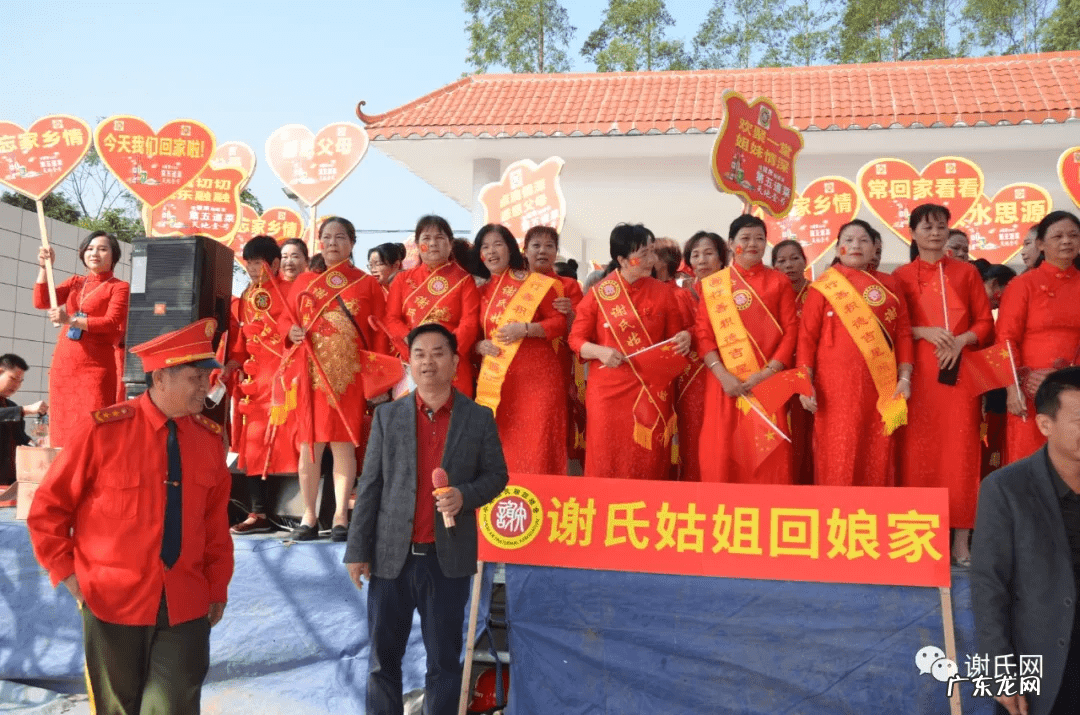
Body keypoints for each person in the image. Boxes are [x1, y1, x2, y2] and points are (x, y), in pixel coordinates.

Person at [26, 318, 233, 715]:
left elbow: (215, 528)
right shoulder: (103, 430)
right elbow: (49, 509)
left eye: (205, 378)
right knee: (117, 708)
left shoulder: (209, 440)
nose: (204, 387)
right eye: (194, 378)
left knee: (173, 705)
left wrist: (217, 586)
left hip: (186, 600)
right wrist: (68, 575)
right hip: (112, 599)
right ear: (160, 378)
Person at [344, 323, 509, 715]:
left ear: (455, 362)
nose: (427, 362)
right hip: (391, 560)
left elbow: (497, 476)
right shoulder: (387, 417)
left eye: (438, 353)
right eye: (419, 354)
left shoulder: (478, 417)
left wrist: (464, 496)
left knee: (444, 664)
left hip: (445, 562)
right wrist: (357, 550)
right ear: (409, 363)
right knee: (383, 662)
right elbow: (370, 485)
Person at [971, 367, 1080, 715]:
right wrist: (1000, 673)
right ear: (1045, 425)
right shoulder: (1006, 489)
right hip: (1044, 670)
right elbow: (989, 585)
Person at [892, 203, 994, 565]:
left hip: (959, 374)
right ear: (912, 233)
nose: (935, 234)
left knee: (961, 452)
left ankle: (962, 539)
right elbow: (894, 327)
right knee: (916, 454)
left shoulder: (966, 273)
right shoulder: (900, 276)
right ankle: (919, 535)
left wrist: (962, 339)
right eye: (927, 227)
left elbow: (985, 323)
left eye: (941, 227)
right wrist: (923, 331)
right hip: (917, 375)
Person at [285, 217, 386, 541]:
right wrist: (291, 332)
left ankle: (341, 515)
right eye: (327, 237)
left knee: (344, 444)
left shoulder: (366, 284)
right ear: (319, 242)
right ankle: (309, 516)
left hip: (349, 376)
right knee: (309, 446)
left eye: (340, 237)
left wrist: (378, 379)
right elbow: (285, 322)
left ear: (352, 242)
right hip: (310, 375)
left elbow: (379, 333)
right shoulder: (304, 282)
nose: (332, 243)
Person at [569, 224, 691, 480]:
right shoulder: (599, 294)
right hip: (608, 392)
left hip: (650, 388)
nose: (651, 260)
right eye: (642, 254)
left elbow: (674, 340)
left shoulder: (664, 293)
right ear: (622, 259)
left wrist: (683, 338)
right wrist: (600, 351)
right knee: (607, 455)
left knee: (648, 459)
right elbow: (576, 339)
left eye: (652, 252)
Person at [797, 220, 914, 486]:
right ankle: (835, 509)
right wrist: (805, 382)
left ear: (874, 248)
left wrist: (905, 377)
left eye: (863, 240)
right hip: (833, 387)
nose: (855, 246)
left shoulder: (890, 284)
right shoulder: (823, 286)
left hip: (882, 385)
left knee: (879, 448)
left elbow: (904, 334)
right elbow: (806, 338)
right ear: (837, 249)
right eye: (848, 240)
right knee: (837, 450)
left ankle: (876, 509)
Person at [695, 215, 799, 484]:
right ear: (731, 244)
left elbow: (791, 332)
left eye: (759, 238)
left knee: (768, 459)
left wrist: (767, 373)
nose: (753, 244)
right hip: (724, 384)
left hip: (768, 383)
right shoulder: (714, 285)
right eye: (745, 238)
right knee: (722, 453)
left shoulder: (779, 282)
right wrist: (723, 375)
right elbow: (703, 336)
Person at [472, 224, 567, 474]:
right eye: (485, 247)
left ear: (511, 249)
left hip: (538, 380)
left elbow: (559, 324)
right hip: (500, 383)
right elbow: (473, 336)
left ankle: (545, 496)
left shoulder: (535, 283)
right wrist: (479, 345)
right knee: (506, 448)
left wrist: (526, 329)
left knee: (539, 446)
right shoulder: (479, 292)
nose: (491, 251)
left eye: (498, 244)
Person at [997, 211, 1080, 465]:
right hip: (1029, 391)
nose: (1066, 241)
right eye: (1058, 236)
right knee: (1029, 463)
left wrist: (1067, 375)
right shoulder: (1022, 285)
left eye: (1073, 235)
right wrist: (1013, 389)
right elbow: (1005, 339)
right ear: (1041, 244)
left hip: (1075, 389)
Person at [33, 231, 130, 448]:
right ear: (82, 253)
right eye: (90, 248)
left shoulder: (119, 286)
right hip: (65, 364)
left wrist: (70, 320)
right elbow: (42, 301)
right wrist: (44, 268)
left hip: (95, 366)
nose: (94, 253)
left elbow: (111, 322)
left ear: (114, 256)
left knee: (93, 425)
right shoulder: (75, 282)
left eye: (102, 249)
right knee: (62, 427)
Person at [229, 236, 298, 535]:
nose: (252, 269)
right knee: (253, 444)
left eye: (258, 263)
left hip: (285, 380)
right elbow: (242, 340)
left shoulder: (290, 290)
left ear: (274, 263)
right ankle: (258, 513)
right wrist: (231, 365)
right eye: (249, 263)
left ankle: (303, 514)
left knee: (290, 443)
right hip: (255, 382)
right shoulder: (247, 295)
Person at [384, 216, 481, 397]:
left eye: (439, 237)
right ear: (417, 245)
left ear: (450, 243)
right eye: (426, 239)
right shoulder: (402, 280)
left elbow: (469, 323)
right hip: (414, 360)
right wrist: (414, 343)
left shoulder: (464, 280)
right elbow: (391, 319)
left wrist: (446, 352)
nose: (433, 243)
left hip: (452, 363)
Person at [523, 225, 585, 471]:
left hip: (556, 369)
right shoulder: (513, 284)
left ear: (556, 252)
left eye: (549, 246)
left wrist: (569, 313)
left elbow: (578, 331)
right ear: (525, 250)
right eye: (536, 245)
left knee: (551, 429)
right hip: (518, 370)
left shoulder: (568, 286)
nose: (542, 251)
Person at [675, 231, 727, 481]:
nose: (702, 260)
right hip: (693, 378)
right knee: (694, 438)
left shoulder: (736, 291)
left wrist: (692, 332)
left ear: (721, 258)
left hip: (730, 373)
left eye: (708, 253)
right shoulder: (682, 296)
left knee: (726, 439)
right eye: (695, 255)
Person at [772, 239, 814, 484]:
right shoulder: (770, 297)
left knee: (807, 434)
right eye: (781, 261)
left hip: (811, 374)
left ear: (805, 261)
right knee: (780, 433)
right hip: (778, 373)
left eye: (795, 258)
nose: (789, 265)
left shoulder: (818, 293)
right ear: (774, 266)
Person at [0, 354, 47, 500]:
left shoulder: (11, 406)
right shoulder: (16, 409)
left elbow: (21, 437)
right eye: (13, 379)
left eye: (20, 381)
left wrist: (37, 445)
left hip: (8, 482)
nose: (16, 385)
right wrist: (24, 410)